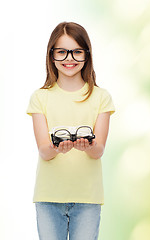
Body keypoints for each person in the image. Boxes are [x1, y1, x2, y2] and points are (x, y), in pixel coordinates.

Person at [26, 22, 115, 240]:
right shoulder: (40, 97)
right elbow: (44, 151)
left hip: (87, 198)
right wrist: (58, 149)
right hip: (49, 197)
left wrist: (89, 146)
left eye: (76, 52)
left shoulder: (101, 97)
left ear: (87, 55)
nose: (69, 58)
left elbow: (98, 150)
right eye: (62, 52)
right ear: (52, 55)